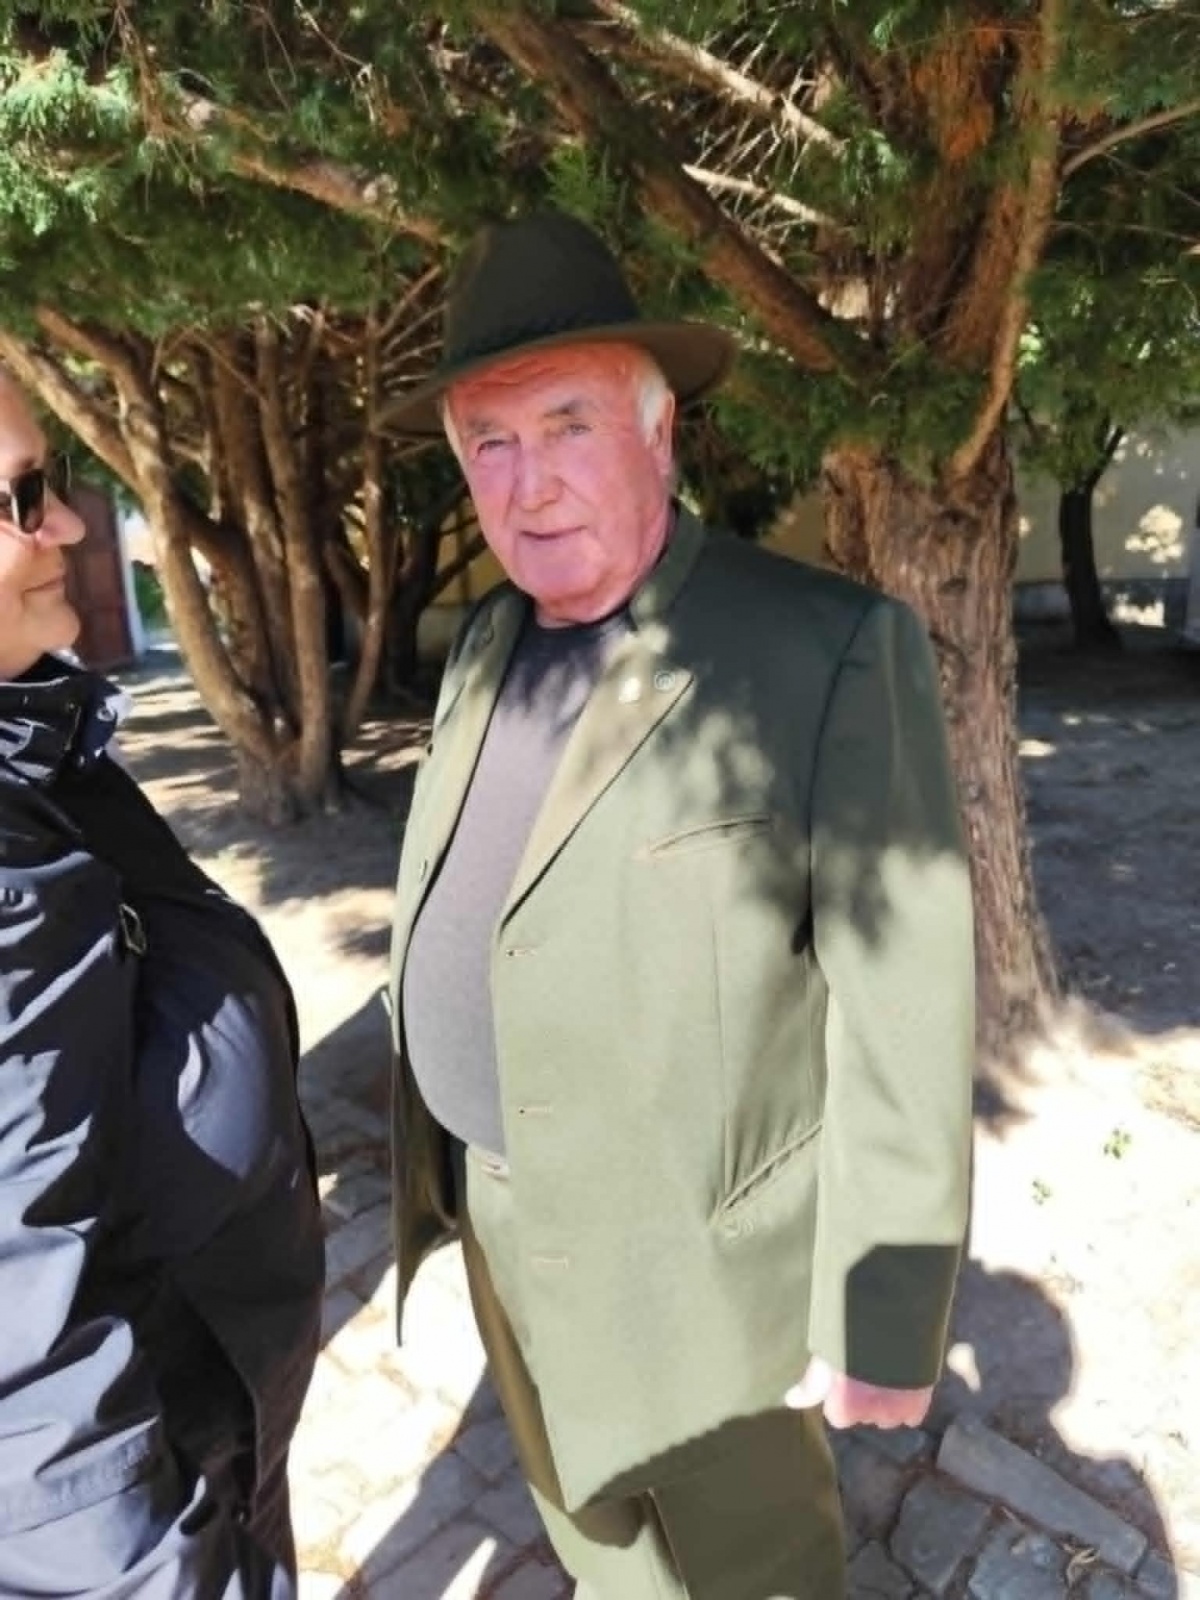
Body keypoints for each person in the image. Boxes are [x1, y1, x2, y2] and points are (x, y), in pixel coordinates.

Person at [385, 211, 975, 1599]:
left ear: (660, 432)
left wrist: (882, 1309)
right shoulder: (485, 642)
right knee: (601, 1559)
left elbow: (904, 1002)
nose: (529, 483)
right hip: (503, 1232)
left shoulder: (821, 649)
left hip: (708, 1291)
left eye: (568, 424)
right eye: (491, 442)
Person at [0, 368, 324, 1595]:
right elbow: (26, 1363)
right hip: (168, 1467)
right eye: (22, 498)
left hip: (218, 1386)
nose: (68, 526)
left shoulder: (34, 742)